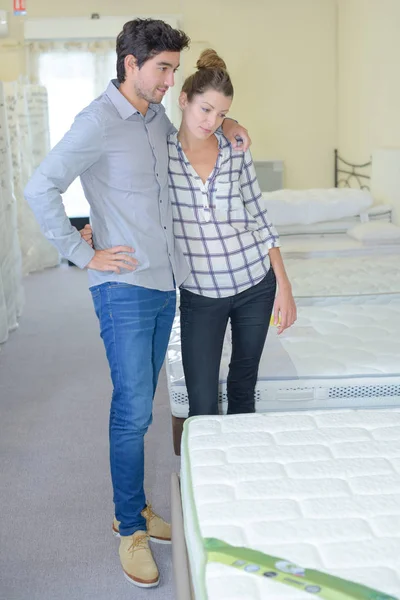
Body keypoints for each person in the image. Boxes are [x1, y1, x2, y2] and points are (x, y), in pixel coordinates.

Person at [24, 19, 250, 589]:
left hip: (163, 283)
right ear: (131, 64)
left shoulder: (156, 120)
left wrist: (229, 126)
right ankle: (129, 526)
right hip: (122, 288)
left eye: (175, 69)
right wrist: (80, 251)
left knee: (144, 403)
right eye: (163, 69)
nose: (171, 81)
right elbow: (39, 187)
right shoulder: (96, 121)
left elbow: (199, 132)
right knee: (131, 410)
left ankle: (140, 508)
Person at [169, 50, 297, 416]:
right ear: (184, 100)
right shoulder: (161, 153)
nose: (212, 121)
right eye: (205, 109)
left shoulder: (235, 150)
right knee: (203, 402)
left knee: (243, 388)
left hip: (254, 284)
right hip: (200, 292)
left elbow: (259, 214)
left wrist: (284, 286)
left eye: (222, 114)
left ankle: (243, 470)